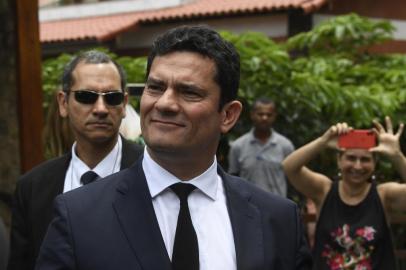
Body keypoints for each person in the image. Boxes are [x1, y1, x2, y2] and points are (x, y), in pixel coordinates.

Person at [35, 25, 312, 270]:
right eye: (155, 87)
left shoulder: (277, 220)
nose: (165, 104)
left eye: (189, 92)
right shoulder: (79, 216)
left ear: (228, 115)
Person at [8, 50, 143, 270]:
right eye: (87, 96)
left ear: (124, 103)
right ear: (63, 103)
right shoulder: (32, 188)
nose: (100, 109)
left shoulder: (153, 171)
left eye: (112, 97)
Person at [282, 117, 406, 269]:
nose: (358, 166)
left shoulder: (384, 195)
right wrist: (323, 142)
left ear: (374, 164)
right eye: (351, 158)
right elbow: (289, 167)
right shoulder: (324, 190)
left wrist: (397, 156)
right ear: (339, 160)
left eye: (365, 160)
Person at [228, 97, 294, 196]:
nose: (264, 118)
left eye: (269, 115)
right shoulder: (238, 146)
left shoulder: (285, 146)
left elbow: (294, 179)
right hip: (247, 208)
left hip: (277, 208)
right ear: (252, 115)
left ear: (275, 116)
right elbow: (232, 180)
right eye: (260, 114)